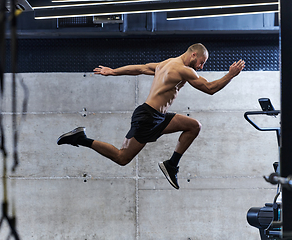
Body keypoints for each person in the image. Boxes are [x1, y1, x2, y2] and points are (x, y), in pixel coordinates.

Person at [57, 43, 245, 189]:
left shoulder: (166, 64)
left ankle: (171, 165)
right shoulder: (184, 70)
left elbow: (140, 68)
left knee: (193, 126)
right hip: (148, 117)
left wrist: (113, 71)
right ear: (193, 54)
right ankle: (81, 138)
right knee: (122, 158)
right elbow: (210, 89)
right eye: (201, 62)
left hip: (158, 117)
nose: (202, 67)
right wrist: (230, 75)